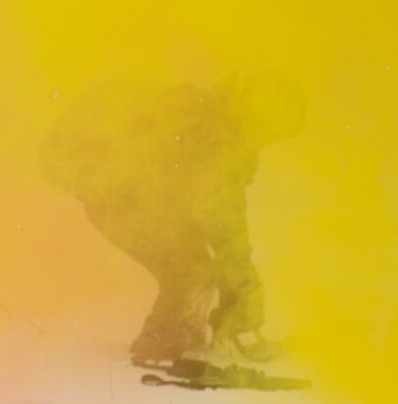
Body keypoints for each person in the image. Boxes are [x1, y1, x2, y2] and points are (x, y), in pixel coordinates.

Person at [43, 72, 305, 371]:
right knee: (189, 272)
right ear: (268, 116)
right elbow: (224, 225)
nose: (273, 139)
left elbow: (209, 216)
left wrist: (236, 289)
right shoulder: (219, 138)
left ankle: (186, 341)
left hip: (135, 197)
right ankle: (154, 350)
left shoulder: (214, 119)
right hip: (122, 201)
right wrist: (247, 291)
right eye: (279, 129)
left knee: (198, 268)